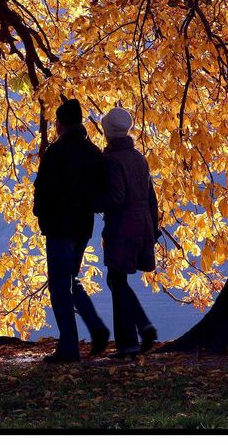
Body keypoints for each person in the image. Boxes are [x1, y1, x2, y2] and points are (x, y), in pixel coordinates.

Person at [33, 99, 110, 363]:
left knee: (59, 286)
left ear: (60, 123)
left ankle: (69, 346)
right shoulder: (93, 153)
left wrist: (40, 214)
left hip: (58, 227)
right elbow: (103, 191)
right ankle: (96, 327)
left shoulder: (55, 152)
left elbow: (41, 189)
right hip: (82, 227)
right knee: (70, 280)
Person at [99, 107, 159, 358]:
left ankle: (130, 340)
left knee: (116, 278)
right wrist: (153, 227)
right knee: (117, 279)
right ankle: (141, 329)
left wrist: (94, 202)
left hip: (123, 226)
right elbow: (151, 197)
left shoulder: (112, 161)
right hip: (142, 223)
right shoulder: (139, 158)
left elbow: (115, 196)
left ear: (107, 132)